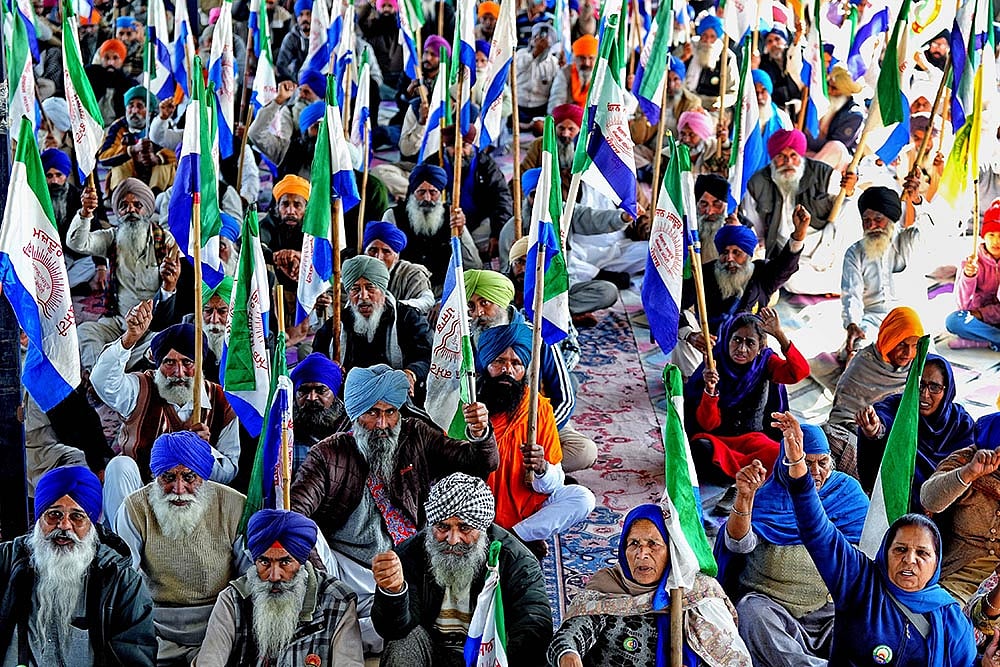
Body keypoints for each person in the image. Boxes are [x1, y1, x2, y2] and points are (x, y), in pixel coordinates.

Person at [290, 364, 497, 652]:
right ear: (355, 413)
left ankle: (348, 632)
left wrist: (481, 432)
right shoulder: (327, 454)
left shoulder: (416, 435)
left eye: (390, 412)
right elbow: (296, 513)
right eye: (372, 413)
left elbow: (478, 463)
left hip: (408, 565)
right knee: (299, 530)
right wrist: (323, 579)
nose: (382, 424)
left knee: (409, 619)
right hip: (349, 569)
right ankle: (348, 625)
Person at [772, 410, 979, 667]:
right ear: (885, 552)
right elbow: (817, 530)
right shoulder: (859, 582)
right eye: (900, 549)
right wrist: (798, 467)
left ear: (936, 562)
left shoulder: (951, 620)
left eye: (922, 553)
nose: (909, 560)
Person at [718, 427, 869, 666]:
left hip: (831, 614)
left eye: (823, 462)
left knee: (868, 624)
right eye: (806, 463)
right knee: (750, 613)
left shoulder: (846, 493)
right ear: (786, 462)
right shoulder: (768, 498)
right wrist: (744, 499)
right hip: (775, 611)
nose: (816, 472)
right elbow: (738, 545)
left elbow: (869, 552)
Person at [371, 473, 552, 666]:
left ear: (482, 527)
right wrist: (395, 592)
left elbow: (535, 623)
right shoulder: (411, 553)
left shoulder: (516, 560)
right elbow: (392, 629)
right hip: (434, 650)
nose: (452, 539)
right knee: (402, 641)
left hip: (489, 653)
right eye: (443, 527)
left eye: (464, 528)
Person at [547, 503, 751, 666]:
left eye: (653, 544)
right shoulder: (607, 589)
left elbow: (727, 655)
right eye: (633, 544)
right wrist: (569, 654)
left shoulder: (700, 594)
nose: (642, 554)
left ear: (671, 551)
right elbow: (569, 635)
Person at [113, 432, 250, 665]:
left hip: (220, 623)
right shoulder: (134, 509)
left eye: (189, 477)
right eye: (168, 477)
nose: (178, 488)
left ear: (204, 476)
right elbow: (127, 583)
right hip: (155, 626)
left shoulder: (235, 505)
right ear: (155, 476)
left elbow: (249, 579)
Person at [0, 466, 156, 665]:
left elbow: (135, 658)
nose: (64, 526)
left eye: (77, 517)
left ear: (91, 524)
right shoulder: (6, 562)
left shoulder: (120, 582)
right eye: (54, 514)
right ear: (39, 519)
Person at [94, 317, 240, 517]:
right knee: (120, 466)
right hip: (142, 501)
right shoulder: (141, 388)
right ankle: (124, 545)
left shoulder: (222, 401)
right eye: (169, 363)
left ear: (200, 363)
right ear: (157, 364)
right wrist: (129, 339)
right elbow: (102, 380)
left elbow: (229, 472)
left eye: (187, 362)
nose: (179, 373)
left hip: (192, 503)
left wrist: (204, 451)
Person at [476, 321, 596, 558]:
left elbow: (552, 484)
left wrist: (542, 468)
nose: (507, 370)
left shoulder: (537, 408)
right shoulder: (469, 406)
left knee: (582, 498)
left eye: (516, 364)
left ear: (525, 370)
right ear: (485, 365)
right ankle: (514, 540)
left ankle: (515, 537)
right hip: (477, 509)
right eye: (498, 362)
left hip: (526, 509)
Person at [194, 509, 365, 666]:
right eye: (264, 562)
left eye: (285, 562)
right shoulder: (232, 600)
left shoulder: (338, 601)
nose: (274, 576)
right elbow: (209, 661)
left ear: (301, 562)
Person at [465, 269, 594, 471]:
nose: (477, 313)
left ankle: (524, 470)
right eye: (471, 306)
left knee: (584, 451)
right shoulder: (466, 339)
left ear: (501, 302)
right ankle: (510, 469)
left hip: (536, 423)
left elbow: (566, 399)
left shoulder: (535, 336)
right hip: (485, 428)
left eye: (485, 303)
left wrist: (537, 430)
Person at [684, 310, 810, 490]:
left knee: (787, 456)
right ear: (727, 339)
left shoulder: (766, 362)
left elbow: (799, 372)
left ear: (760, 347)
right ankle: (746, 477)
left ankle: (739, 478)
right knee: (699, 450)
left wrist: (780, 335)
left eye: (750, 343)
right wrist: (710, 390)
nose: (741, 349)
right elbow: (707, 424)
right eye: (736, 340)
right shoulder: (713, 365)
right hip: (718, 441)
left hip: (753, 440)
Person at [68, 178, 182, 370]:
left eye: (137, 205)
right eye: (124, 206)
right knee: (85, 331)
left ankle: (112, 370)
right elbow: (77, 243)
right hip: (117, 322)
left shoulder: (165, 242)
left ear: (147, 209)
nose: (131, 210)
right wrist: (85, 213)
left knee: (164, 341)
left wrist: (169, 286)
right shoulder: (111, 238)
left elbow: (173, 299)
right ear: (117, 213)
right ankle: (100, 376)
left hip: (151, 327)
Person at [674, 220, 807, 378]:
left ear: (749, 256)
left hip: (746, 348)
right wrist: (691, 335)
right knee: (681, 328)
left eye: (737, 253)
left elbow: (785, 266)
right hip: (710, 347)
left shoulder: (762, 274)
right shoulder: (705, 274)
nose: (729, 258)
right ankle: (694, 382)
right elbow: (674, 305)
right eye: (724, 253)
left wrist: (798, 235)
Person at [741, 129, 858, 296]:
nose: (788, 161)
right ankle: (836, 285)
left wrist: (849, 190)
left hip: (824, 243)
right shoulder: (758, 183)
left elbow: (842, 199)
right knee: (790, 281)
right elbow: (757, 232)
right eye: (781, 156)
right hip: (790, 252)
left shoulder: (823, 173)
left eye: (793, 156)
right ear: (773, 159)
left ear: (801, 157)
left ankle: (837, 277)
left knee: (850, 206)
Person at [822, 306, 925, 477]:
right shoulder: (864, 363)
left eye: (915, 346)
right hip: (858, 433)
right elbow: (843, 413)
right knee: (828, 437)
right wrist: (869, 430)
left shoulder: (919, 368)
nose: (908, 352)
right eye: (901, 344)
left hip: (898, 440)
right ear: (889, 338)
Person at [856, 354, 975, 503]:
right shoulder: (897, 406)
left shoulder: (960, 422)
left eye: (934, 387)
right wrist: (875, 430)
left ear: (947, 390)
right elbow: (884, 421)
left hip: (946, 503)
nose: (925, 394)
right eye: (920, 384)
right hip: (898, 503)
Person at [312, 255, 433, 396]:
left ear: (382, 289)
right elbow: (316, 358)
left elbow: (427, 356)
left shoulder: (408, 317)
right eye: (355, 289)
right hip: (349, 398)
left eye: (370, 288)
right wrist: (329, 369)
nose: (363, 296)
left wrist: (411, 373)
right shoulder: (337, 323)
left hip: (397, 398)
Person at [921, 413, 1000, 603]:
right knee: (949, 621)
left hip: (997, 581)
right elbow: (928, 499)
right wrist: (968, 474)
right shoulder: (967, 460)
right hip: (959, 573)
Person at [842, 186, 921, 356]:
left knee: (918, 358)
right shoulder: (854, 253)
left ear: (891, 219)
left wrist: (917, 201)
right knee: (857, 349)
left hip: (908, 318)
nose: (872, 226)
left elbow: (933, 229)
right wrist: (852, 324)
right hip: (874, 319)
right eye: (866, 220)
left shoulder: (908, 240)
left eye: (878, 219)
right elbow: (851, 294)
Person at [382, 163, 482, 290]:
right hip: (405, 288)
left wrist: (460, 231)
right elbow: (383, 262)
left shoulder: (452, 215)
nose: (427, 198)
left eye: (433, 192)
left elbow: (474, 265)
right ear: (413, 193)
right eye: (421, 192)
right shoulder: (393, 216)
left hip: (443, 289)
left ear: (441, 194)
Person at [97, 85, 176, 192]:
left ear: (150, 111)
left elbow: (177, 152)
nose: (134, 111)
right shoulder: (117, 127)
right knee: (121, 165)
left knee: (165, 166)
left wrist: (157, 158)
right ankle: (124, 199)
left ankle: (155, 199)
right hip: (128, 178)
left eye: (140, 106)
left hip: (154, 177)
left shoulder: (161, 124)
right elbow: (103, 157)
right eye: (131, 106)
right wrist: (131, 150)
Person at [946, 199, 1000, 350]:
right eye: (991, 234)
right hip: (976, 318)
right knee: (954, 321)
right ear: (984, 235)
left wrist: (983, 314)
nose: (996, 241)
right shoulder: (972, 260)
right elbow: (962, 305)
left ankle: (984, 341)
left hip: (989, 315)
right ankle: (992, 340)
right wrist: (969, 276)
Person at [290, 353, 349, 475]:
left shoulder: (352, 433)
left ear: (335, 393)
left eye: (320, 390)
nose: (311, 398)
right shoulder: (283, 434)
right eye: (303, 391)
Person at [363, 221, 435, 314]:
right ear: (364, 253)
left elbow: (426, 301)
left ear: (396, 257)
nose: (378, 257)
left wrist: (394, 305)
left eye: (386, 251)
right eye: (373, 250)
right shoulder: (354, 272)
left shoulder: (412, 273)